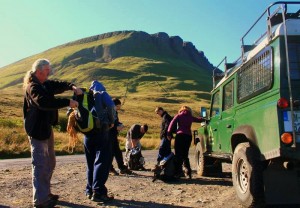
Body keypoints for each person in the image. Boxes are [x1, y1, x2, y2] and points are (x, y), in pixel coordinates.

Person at [23, 58, 82, 208]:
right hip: (36, 130)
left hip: (46, 128)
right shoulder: (33, 87)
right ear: (39, 71)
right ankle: (40, 200)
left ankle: (45, 192)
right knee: (40, 164)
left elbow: (59, 84)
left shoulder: (45, 84)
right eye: (47, 71)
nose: (49, 73)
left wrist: (72, 86)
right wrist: (67, 102)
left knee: (50, 162)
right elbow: (43, 103)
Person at [83, 80, 116, 202]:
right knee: (102, 160)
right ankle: (99, 192)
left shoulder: (85, 96)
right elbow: (111, 106)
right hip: (101, 130)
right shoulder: (102, 93)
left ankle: (89, 190)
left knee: (90, 162)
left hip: (87, 134)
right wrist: (112, 121)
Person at [167, 106, 205, 179]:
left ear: (181, 110)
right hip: (188, 136)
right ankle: (188, 173)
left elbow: (171, 124)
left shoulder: (179, 115)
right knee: (185, 155)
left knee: (178, 154)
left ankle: (178, 172)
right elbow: (198, 120)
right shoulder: (190, 116)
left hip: (180, 136)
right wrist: (205, 119)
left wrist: (169, 133)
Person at [109, 98, 132, 175]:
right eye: (118, 106)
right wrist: (116, 127)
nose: (119, 108)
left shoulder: (115, 112)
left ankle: (122, 168)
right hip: (109, 135)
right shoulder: (109, 112)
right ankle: (110, 168)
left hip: (114, 135)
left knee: (118, 152)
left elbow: (115, 122)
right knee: (111, 153)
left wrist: (120, 124)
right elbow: (107, 124)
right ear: (115, 105)